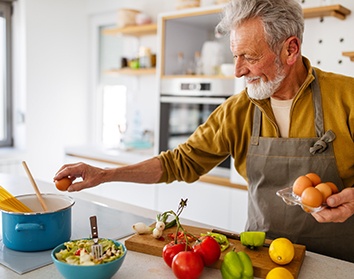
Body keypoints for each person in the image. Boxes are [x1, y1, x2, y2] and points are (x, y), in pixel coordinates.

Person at [54, 0, 354, 262]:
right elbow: (179, 161)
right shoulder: (237, 111)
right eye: (235, 56)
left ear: (290, 49)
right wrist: (105, 175)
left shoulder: (346, 97)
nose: (237, 70)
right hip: (261, 256)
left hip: (338, 260)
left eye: (249, 57)